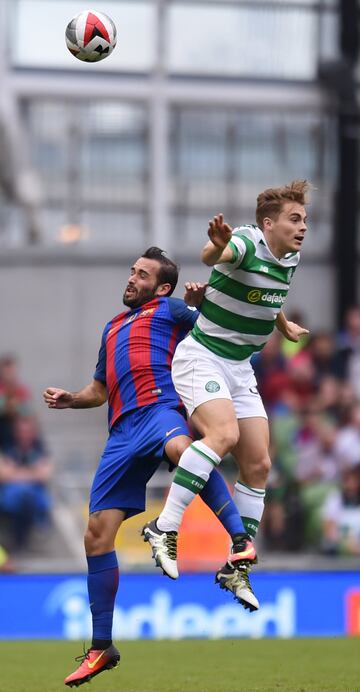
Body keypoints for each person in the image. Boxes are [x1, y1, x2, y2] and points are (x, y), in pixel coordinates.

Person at [43, 247, 258, 689]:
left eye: (141, 274)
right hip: (121, 431)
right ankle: (102, 646)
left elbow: (216, 338)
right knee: (96, 534)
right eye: (131, 271)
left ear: (161, 287)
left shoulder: (171, 310)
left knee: (184, 450)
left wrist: (204, 307)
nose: (131, 278)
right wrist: (71, 400)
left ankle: (240, 540)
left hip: (161, 408)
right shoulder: (112, 327)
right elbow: (100, 390)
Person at [143, 181, 310, 585]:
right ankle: (164, 527)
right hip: (202, 357)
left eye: (304, 219)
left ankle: (239, 562)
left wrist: (283, 324)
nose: (303, 226)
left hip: (238, 367)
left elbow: (268, 293)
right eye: (294, 219)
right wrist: (218, 246)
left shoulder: (291, 257)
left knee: (259, 462)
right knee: (223, 435)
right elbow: (216, 254)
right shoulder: (245, 244)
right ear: (268, 224)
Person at [0, 415, 52, 550]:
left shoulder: (40, 450)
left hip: (34, 496)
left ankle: (32, 528)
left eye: (28, 431)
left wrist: (16, 472)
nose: (25, 434)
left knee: (28, 495)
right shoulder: (8, 449)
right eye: (21, 431)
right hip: (11, 497)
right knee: (20, 494)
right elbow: (4, 475)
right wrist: (32, 472)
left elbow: (45, 475)